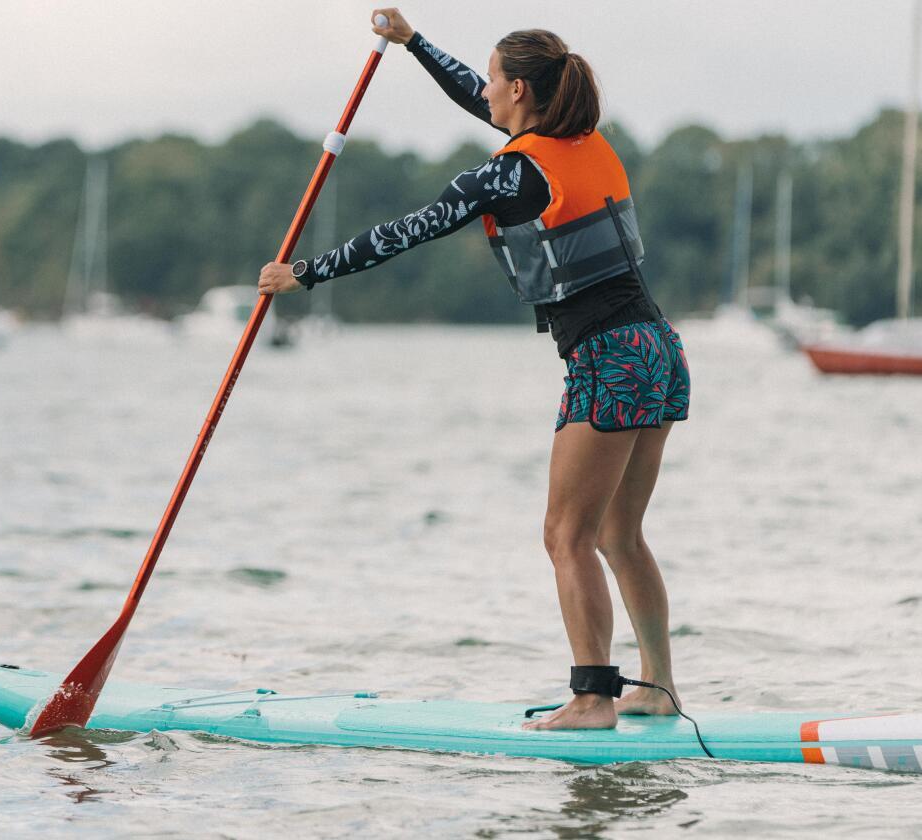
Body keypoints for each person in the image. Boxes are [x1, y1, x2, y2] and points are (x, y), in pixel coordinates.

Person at [257, 9, 693, 731]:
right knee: (619, 534)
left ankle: (593, 698)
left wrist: (306, 274)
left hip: (608, 359)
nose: (484, 91)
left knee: (566, 536)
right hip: (658, 349)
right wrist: (413, 44)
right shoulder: (580, 142)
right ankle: (657, 685)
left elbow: (405, 232)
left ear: (520, 89)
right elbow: (475, 96)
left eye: (494, 80)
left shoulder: (508, 175)